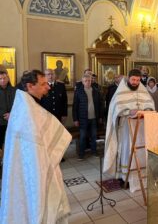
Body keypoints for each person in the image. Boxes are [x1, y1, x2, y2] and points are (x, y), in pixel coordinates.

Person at [0, 70, 71, 223]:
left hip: (38, 162)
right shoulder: (27, 110)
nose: (48, 87)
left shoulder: (27, 104)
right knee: (36, 198)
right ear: (30, 86)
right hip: (35, 167)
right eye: (43, 84)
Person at [103, 69, 155, 192]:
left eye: (137, 80)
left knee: (140, 152)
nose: (135, 82)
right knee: (127, 150)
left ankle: (142, 176)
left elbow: (150, 104)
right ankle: (125, 177)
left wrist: (147, 110)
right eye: (133, 80)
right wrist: (128, 111)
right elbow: (115, 109)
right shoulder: (121, 91)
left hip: (141, 127)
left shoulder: (142, 90)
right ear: (128, 78)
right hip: (126, 128)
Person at [72, 74, 104, 160]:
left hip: (94, 118)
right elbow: (75, 106)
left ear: (91, 81)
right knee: (82, 137)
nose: (88, 82)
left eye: (89, 80)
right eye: (86, 81)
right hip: (83, 118)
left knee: (94, 136)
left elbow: (100, 105)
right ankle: (81, 154)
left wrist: (100, 116)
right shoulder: (79, 91)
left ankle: (94, 152)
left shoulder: (96, 91)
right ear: (82, 82)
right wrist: (75, 119)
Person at [0, 71, 15, 149]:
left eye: (4, 78)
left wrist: (11, 114)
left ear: (8, 78)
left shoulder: (14, 90)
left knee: (10, 145)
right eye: (0, 78)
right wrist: (4, 115)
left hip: (12, 122)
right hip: (0, 122)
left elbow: (18, 106)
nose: (2, 80)